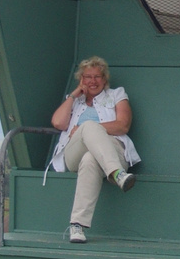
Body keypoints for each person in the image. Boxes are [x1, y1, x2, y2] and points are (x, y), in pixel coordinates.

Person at [49, 56, 139, 243]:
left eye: (97, 76)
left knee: (90, 158)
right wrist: (75, 94)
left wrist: (87, 128)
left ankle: (77, 226)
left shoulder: (116, 95)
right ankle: (117, 175)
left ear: (105, 79)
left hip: (113, 149)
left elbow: (122, 126)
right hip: (74, 152)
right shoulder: (74, 101)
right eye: (87, 77)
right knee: (88, 128)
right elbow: (58, 122)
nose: (92, 81)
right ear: (81, 80)